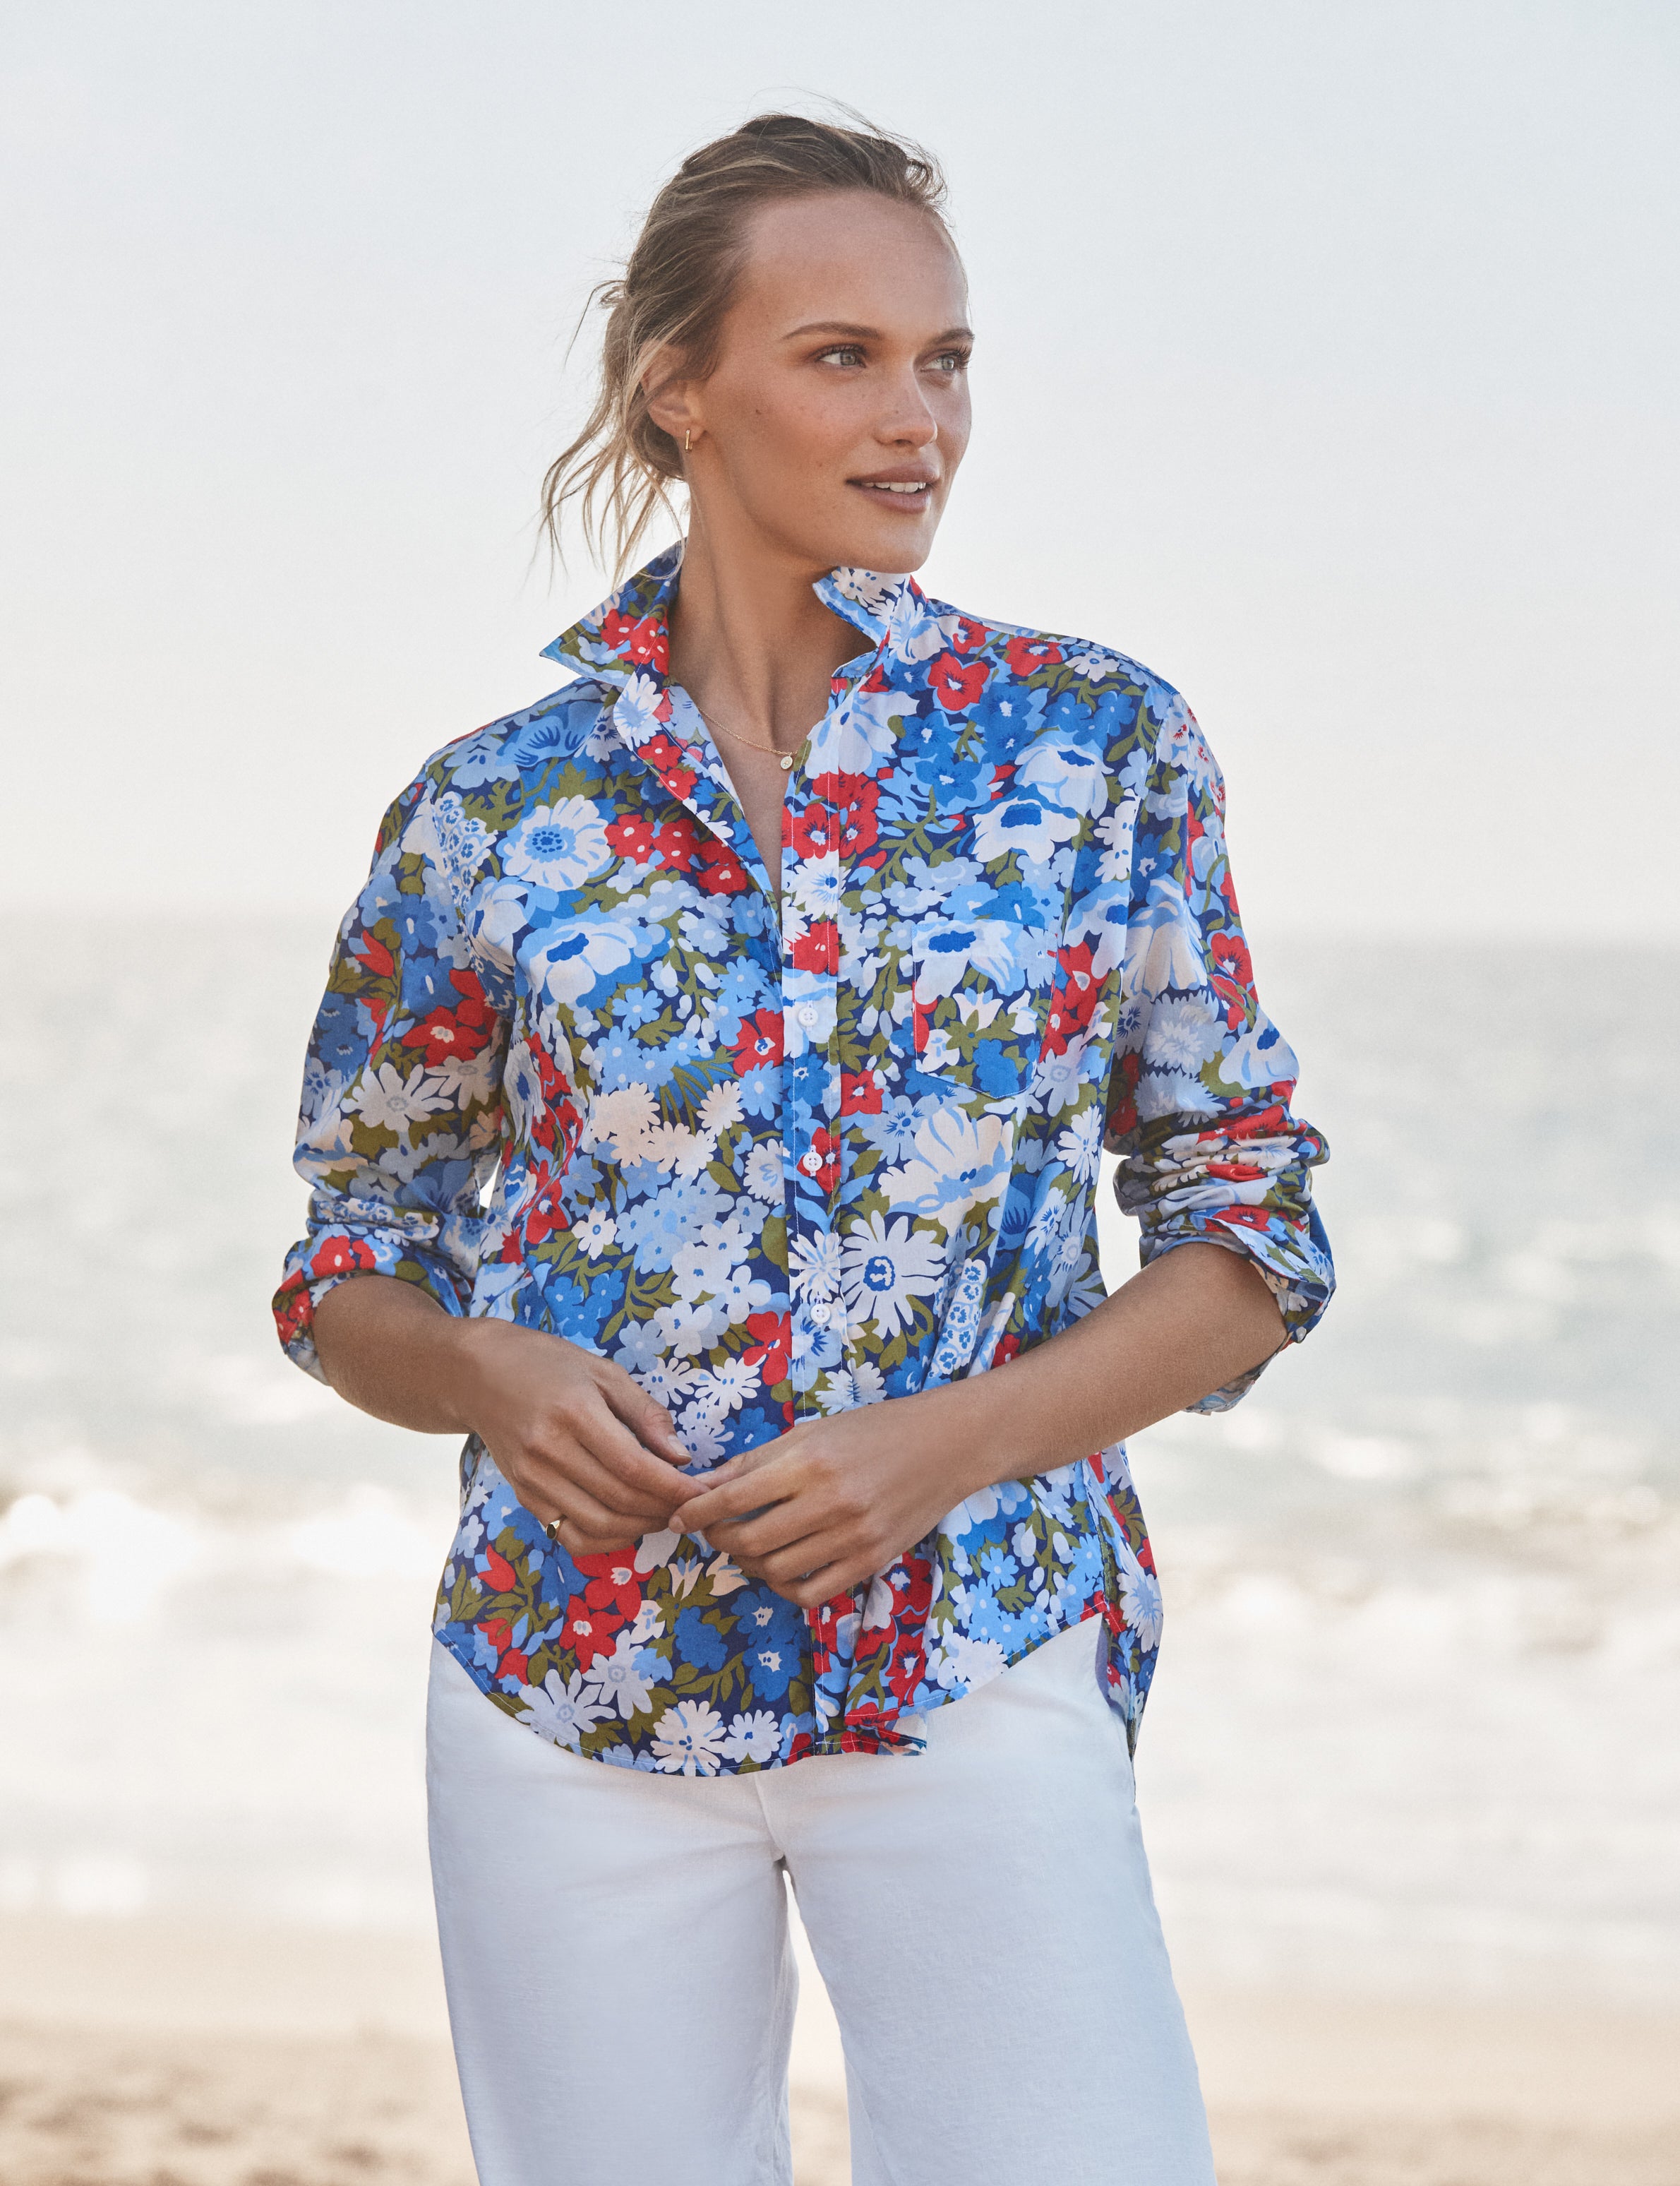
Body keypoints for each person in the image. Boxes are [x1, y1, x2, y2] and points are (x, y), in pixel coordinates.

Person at [273, 111, 1333, 2186]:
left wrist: (944, 1448)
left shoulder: (1090, 747)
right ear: (680, 387)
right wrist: (481, 1369)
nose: (918, 417)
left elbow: (1249, 1241)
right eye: (843, 356)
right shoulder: (491, 814)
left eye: (945, 361)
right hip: (568, 1692)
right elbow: (345, 1262)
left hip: (977, 1659)